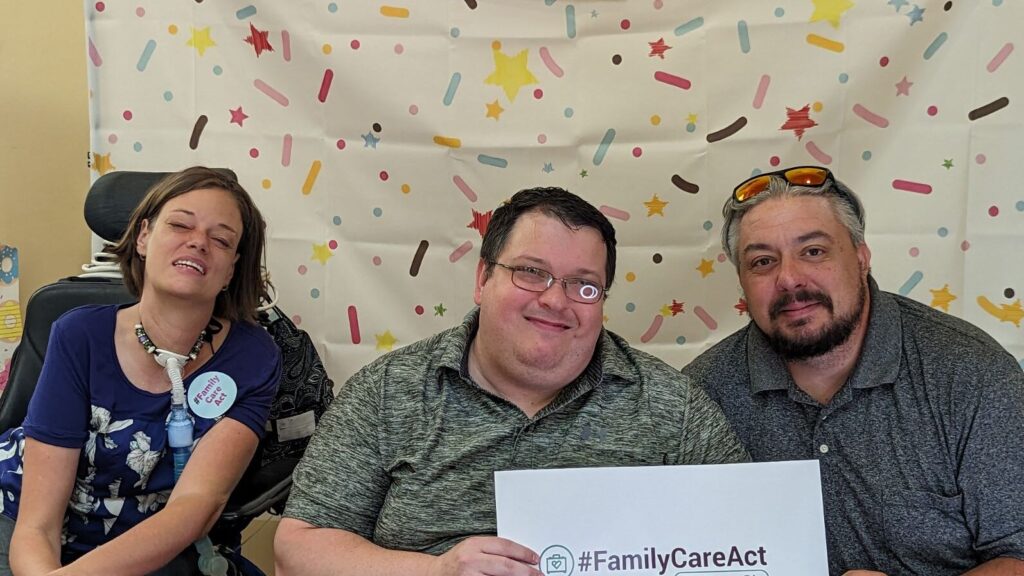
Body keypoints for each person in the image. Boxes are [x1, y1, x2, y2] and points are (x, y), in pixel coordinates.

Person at [275, 186, 748, 576]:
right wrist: (434, 572)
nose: (555, 300)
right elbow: (297, 547)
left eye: (583, 285)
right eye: (531, 272)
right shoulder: (386, 392)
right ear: (483, 278)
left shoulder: (674, 406)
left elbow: (749, 539)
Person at [682, 166, 1024, 576]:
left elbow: (1016, 554)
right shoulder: (698, 397)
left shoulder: (970, 374)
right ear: (742, 283)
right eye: (762, 261)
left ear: (861, 258)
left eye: (813, 251)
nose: (789, 278)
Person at [0, 167, 282, 575]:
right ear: (144, 237)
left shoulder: (253, 358)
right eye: (180, 224)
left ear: (232, 269)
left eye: (220, 239)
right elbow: (36, 526)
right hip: (21, 521)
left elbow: (193, 507)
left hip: (150, 543)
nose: (198, 242)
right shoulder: (79, 334)